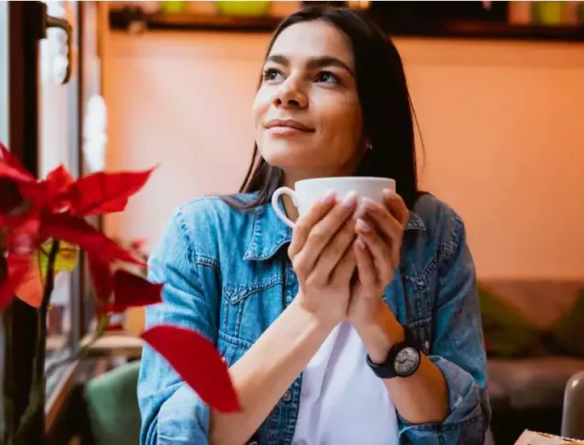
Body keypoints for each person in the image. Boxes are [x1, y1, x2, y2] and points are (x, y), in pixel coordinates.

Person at [138, 6, 489, 445]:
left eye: (326, 76)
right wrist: (311, 311)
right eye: (272, 74)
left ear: (373, 122)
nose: (286, 93)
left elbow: (468, 436)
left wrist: (375, 320)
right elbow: (168, 438)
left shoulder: (433, 235)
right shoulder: (199, 237)